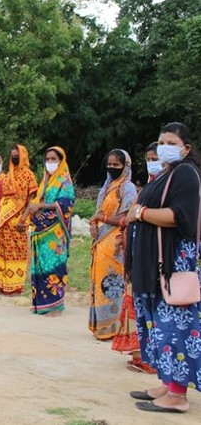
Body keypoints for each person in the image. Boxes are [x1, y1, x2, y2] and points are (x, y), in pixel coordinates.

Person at [125, 123, 201, 414]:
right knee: (158, 326)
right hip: (155, 265)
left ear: (186, 148)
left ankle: (178, 395)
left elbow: (181, 217)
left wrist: (141, 213)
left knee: (174, 326)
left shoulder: (185, 174)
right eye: (160, 141)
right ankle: (168, 383)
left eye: (171, 141)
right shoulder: (167, 172)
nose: (163, 146)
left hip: (172, 265)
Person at [111, 143, 159, 373]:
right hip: (135, 254)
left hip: (155, 258)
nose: (152, 162)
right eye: (149, 158)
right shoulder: (148, 187)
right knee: (136, 303)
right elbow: (130, 217)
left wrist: (135, 216)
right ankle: (140, 353)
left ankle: (150, 358)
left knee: (153, 307)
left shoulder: (171, 187)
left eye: (155, 157)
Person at [88, 149, 137, 339]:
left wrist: (102, 217)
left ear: (126, 166)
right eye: (109, 164)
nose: (112, 168)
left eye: (116, 165)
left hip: (116, 242)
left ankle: (114, 327)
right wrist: (93, 222)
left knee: (113, 284)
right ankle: (101, 325)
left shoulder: (128, 188)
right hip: (101, 241)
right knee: (99, 283)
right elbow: (97, 212)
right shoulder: (107, 187)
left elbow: (126, 218)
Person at [23, 146, 74, 316]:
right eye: (47, 160)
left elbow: (66, 205)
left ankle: (55, 306)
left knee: (54, 266)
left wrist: (41, 206)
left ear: (61, 161)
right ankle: (41, 303)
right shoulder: (45, 181)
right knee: (40, 266)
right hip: (40, 231)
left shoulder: (64, 181)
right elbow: (36, 200)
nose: (50, 163)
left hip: (55, 232)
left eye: (54, 159)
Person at [0, 144, 37, 294]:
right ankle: (1, 283)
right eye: (12, 156)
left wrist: (24, 219)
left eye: (17, 155)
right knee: (2, 251)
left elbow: (31, 200)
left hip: (19, 219)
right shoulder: (7, 175)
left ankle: (15, 285)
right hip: (3, 220)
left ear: (23, 155)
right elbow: (3, 197)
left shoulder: (29, 175)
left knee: (17, 251)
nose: (14, 157)